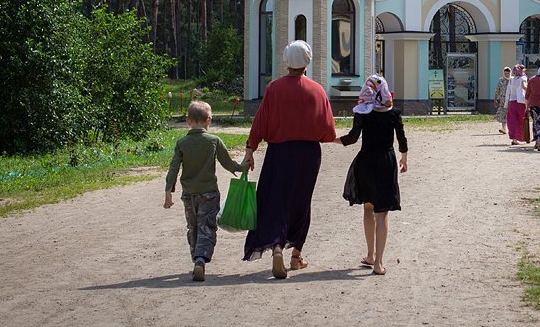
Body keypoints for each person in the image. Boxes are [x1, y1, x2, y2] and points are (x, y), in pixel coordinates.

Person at [242, 40, 337, 279]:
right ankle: (296, 254)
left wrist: (250, 148)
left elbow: (261, 122)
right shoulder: (317, 90)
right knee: (301, 202)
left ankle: (276, 247)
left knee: (276, 201)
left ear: (286, 62)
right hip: (308, 156)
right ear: (307, 61)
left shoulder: (274, 89)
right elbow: (328, 130)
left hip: (279, 153)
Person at [163, 99, 243, 282]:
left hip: (189, 194)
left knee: (193, 227)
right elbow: (228, 163)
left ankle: (195, 258)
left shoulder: (182, 143)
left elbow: (173, 168)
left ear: (188, 121)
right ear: (209, 120)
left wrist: (168, 192)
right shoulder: (214, 141)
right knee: (206, 225)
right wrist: (242, 168)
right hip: (209, 193)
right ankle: (201, 258)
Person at [340, 75, 408, 276]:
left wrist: (330, 139)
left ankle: (370, 254)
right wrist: (404, 158)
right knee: (382, 212)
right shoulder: (394, 113)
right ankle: (378, 262)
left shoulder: (363, 113)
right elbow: (401, 138)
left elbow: (352, 138)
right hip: (386, 162)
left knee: (368, 208)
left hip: (366, 161)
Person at [506, 64, 528, 145]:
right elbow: (524, 86)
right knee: (520, 120)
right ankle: (521, 137)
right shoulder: (523, 78)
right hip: (520, 102)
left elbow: (509, 91)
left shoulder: (512, 79)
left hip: (512, 102)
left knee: (512, 121)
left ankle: (514, 138)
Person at [493, 67, 511, 134]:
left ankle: (510, 129)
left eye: (508, 73)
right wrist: (495, 99)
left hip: (511, 100)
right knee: (502, 114)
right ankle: (503, 128)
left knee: (509, 115)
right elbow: (497, 90)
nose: (506, 74)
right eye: (505, 73)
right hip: (502, 100)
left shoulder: (512, 80)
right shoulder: (501, 80)